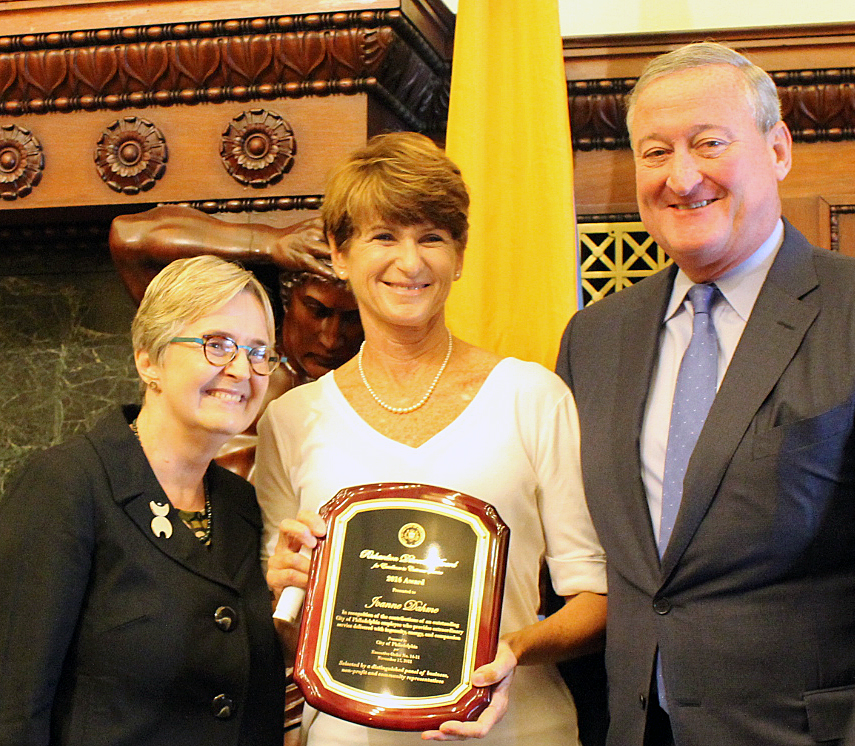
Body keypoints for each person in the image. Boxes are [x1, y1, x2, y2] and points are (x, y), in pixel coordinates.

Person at [256, 131, 607, 746]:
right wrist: (280, 592)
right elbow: (290, 636)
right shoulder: (290, 421)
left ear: (460, 255)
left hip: (518, 732)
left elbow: (596, 603)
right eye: (383, 236)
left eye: (432, 238)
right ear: (340, 254)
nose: (410, 262)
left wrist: (511, 650)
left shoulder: (533, 397)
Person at [556, 41, 855, 746]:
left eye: (708, 143)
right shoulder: (593, 338)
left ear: (777, 149)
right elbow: (573, 549)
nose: (680, 177)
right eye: (654, 153)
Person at [0, 256, 286, 746]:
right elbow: (14, 704)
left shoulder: (241, 505)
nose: (242, 370)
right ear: (148, 359)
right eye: (217, 345)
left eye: (260, 352)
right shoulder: (66, 485)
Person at [110, 206, 362, 480]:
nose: (331, 338)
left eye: (352, 318)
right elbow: (130, 236)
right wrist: (268, 243)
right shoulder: (240, 373)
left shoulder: (370, 392)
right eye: (316, 310)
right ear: (288, 300)